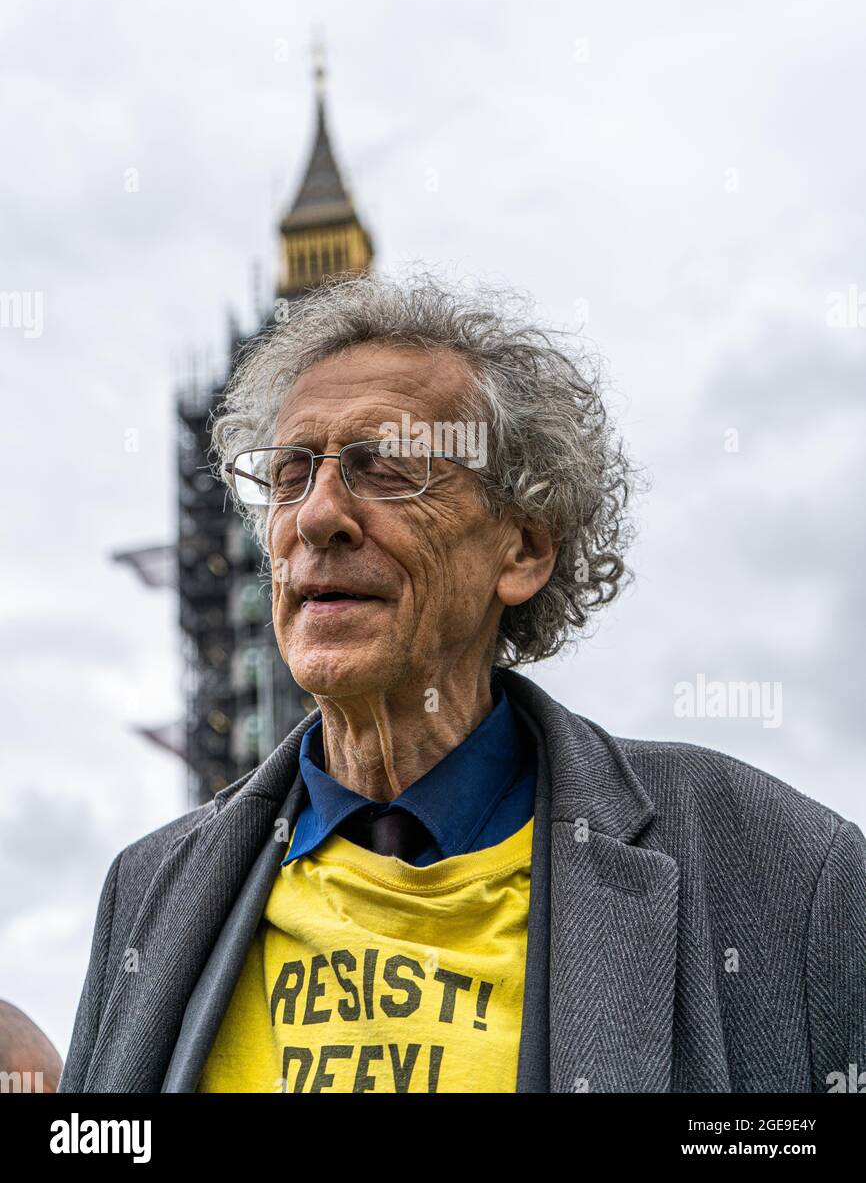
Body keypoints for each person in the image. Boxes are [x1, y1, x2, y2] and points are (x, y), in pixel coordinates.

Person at [60, 274, 866, 1093]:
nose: (316, 516)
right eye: (292, 474)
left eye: (387, 467)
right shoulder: (146, 893)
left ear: (522, 550)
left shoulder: (780, 873)